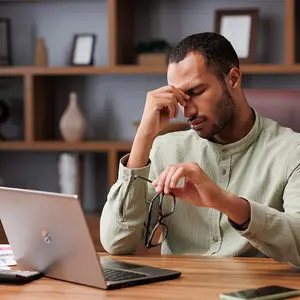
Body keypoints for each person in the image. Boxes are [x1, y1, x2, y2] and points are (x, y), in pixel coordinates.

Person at [100, 32, 300, 267]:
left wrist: (226, 203)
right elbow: (116, 242)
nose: (187, 112)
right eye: (181, 98)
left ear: (233, 79)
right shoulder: (166, 149)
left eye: (196, 92)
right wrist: (144, 135)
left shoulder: (292, 151)